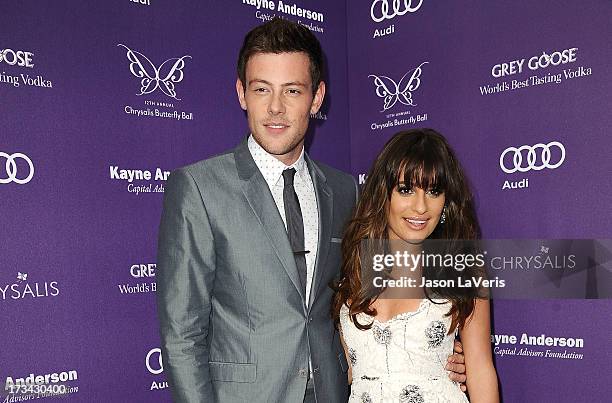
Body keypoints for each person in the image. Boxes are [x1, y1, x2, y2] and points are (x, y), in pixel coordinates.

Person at [156, 19, 466, 403]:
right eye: (261, 90)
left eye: (292, 91)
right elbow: (182, 334)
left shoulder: (344, 190)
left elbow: (388, 287)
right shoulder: (199, 188)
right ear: (241, 93)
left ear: (316, 98)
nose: (275, 108)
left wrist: (436, 354)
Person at [332, 129, 499, 402]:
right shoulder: (354, 265)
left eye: (434, 191)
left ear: (446, 201)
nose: (421, 207)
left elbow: (480, 370)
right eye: (406, 189)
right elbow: (355, 371)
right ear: (382, 194)